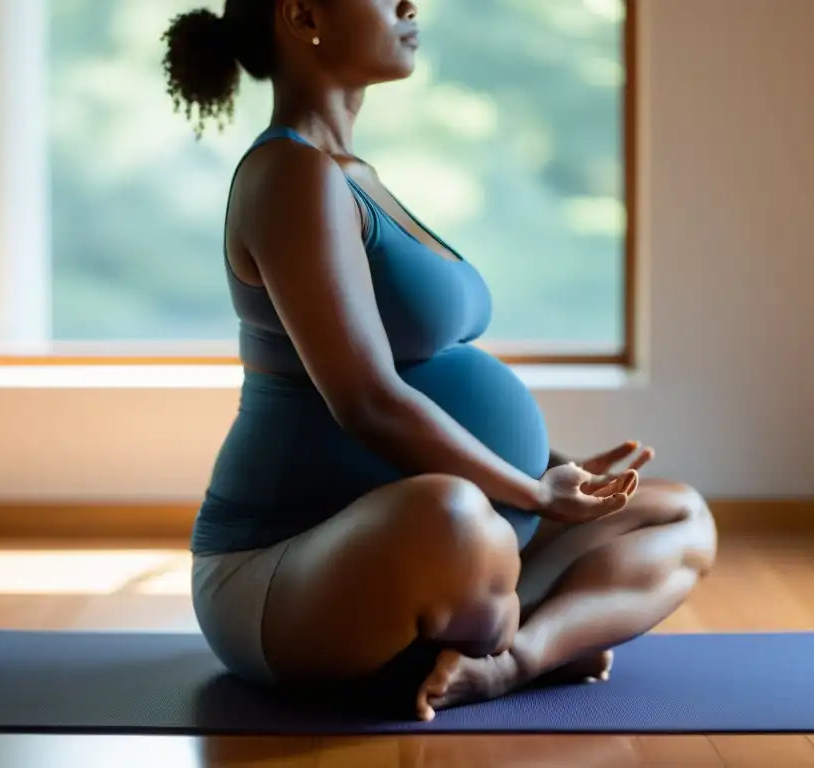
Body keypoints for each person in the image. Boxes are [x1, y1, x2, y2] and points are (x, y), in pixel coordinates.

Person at [163, 0, 717, 721]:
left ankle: (512, 659)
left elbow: (441, 386)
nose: (408, 3)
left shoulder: (355, 174)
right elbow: (367, 400)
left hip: (456, 542)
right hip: (280, 571)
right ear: (301, 16)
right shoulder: (289, 176)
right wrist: (526, 492)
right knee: (454, 519)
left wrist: (552, 476)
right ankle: (513, 623)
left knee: (676, 515)